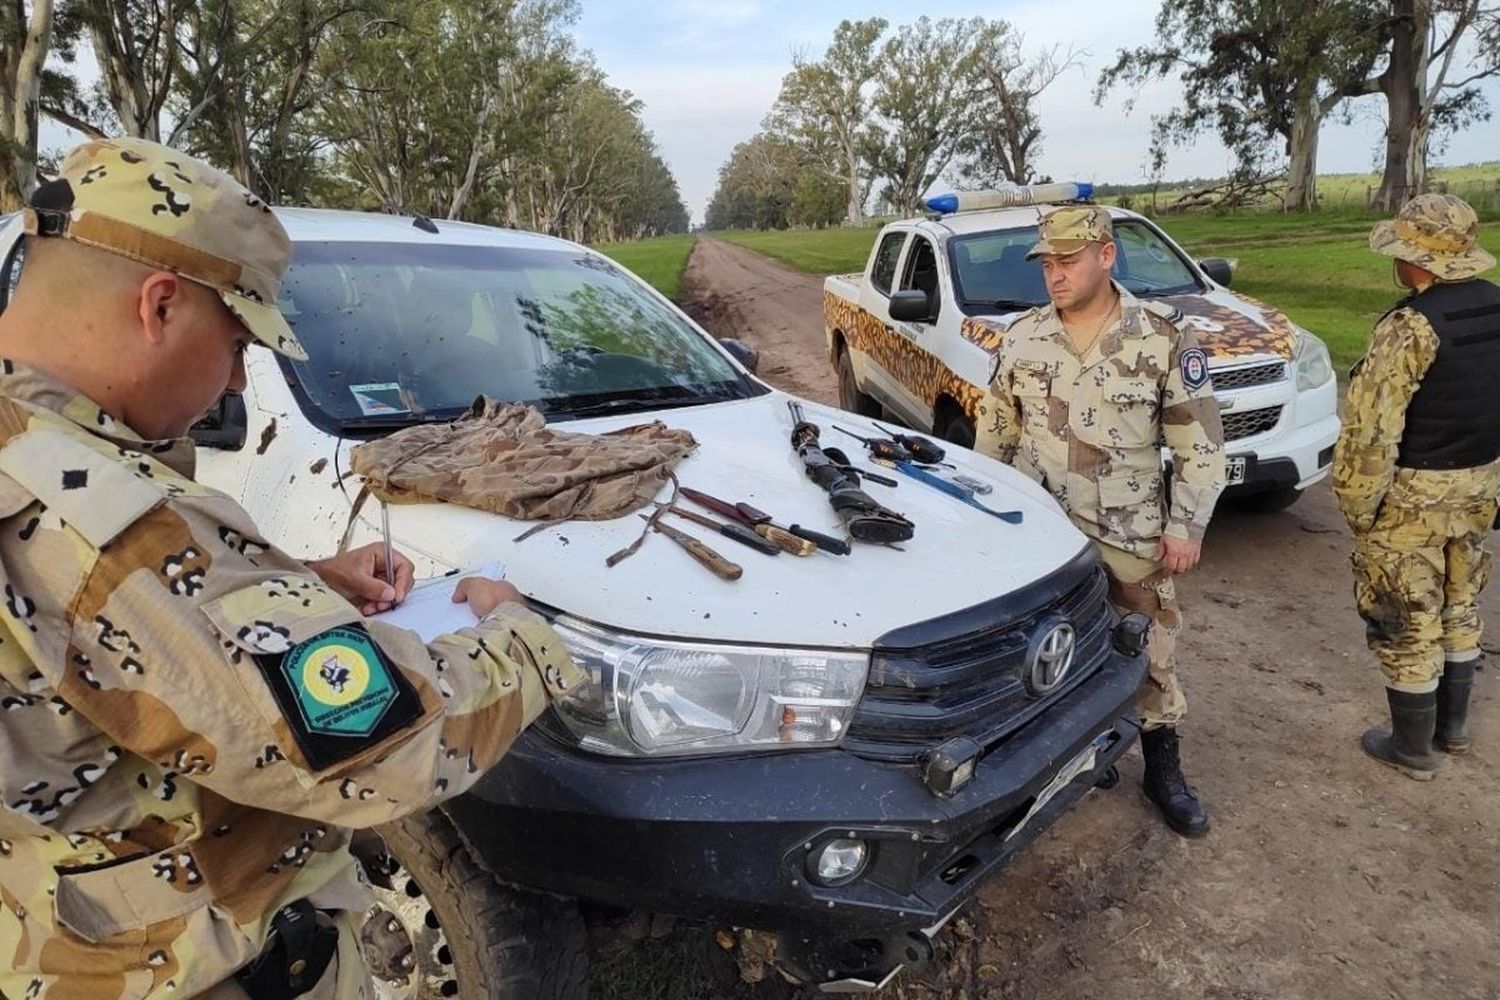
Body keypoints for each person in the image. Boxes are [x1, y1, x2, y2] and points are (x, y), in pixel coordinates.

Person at [0, 136, 582, 998]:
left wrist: (299, 579)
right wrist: (519, 633)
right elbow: (388, 749)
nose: (238, 377)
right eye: (238, 339)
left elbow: (95, 632)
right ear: (160, 306)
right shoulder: (102, 515)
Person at [976, 204, 1226, 837]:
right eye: (1046, 264)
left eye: (1067, 261)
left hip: (1129, 530)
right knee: (1048, 652)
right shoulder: (1024, 337)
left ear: (1106, 256)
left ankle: (1162, 770)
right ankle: (1081, 756)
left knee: (1149, 649)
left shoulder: (1162, 336)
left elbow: (1199, 443)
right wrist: (981, 513)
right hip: (1042, 536)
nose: (1054, 276)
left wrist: (1186, 526)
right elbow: (997, 431)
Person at [1333, 193, 1500, 781]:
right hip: (1480, 487)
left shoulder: (1410, 328)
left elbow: (1372, 432)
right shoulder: (1497, 307)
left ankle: (1411, 747)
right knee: (1461, 601)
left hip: (1412, 499)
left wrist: (1357, 506)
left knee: (1406, 616)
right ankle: (1451, 730)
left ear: (1416, 260)